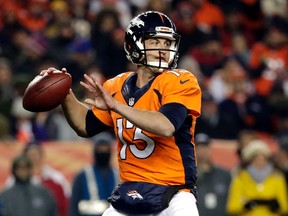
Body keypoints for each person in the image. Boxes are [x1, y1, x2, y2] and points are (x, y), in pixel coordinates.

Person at [41, 10, 201, 216]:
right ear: (134, 45)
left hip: (175, 193)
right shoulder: (116, 85)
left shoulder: (180, 80)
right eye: (155, 42)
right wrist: (64, 93)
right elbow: (85, 126)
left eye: (167, 43)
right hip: (131, 192)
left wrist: (117, 107)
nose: (163, 50)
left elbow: (166, 126)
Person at [226, 139, 288, 215]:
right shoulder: (240, 178)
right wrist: (245, 206)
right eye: (257, 159)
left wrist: (276, 206)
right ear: (250, 160)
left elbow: (285, 207)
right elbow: (232, 207)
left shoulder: (277, 178)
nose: (260, 163)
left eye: (263, 159)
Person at [69, 132, 119, 216]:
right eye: (100, 148)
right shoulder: (82, 176)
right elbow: (73, 206)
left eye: (106, 148)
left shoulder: (118, 176)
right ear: (95, 150)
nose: (103, 151)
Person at [195, 133, 231, 216]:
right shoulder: (189, 176)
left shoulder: (224, 174)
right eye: (199, 147)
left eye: (205, 147)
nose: (203, 151)